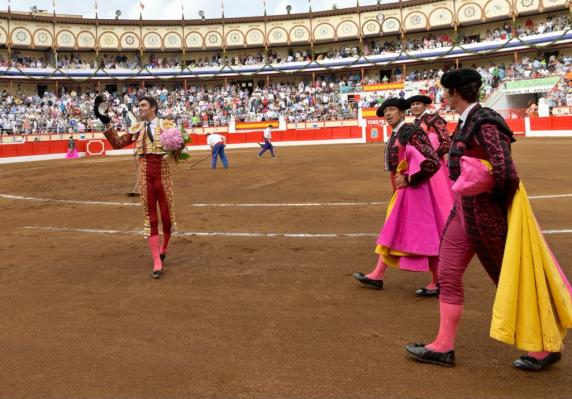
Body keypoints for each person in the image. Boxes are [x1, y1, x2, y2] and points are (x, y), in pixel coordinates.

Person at [405, 68, 571, 370]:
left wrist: (495, 202)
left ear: (455, 93)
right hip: (463, 209)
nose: (443, 97)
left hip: (485, 213)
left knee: (508, 276)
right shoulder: (472, 119)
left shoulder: (484, 121)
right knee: (449, 271)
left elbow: (506, 170)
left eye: (445, 92)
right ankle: (443, 345)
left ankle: (543, 346)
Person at [353, 98, 451, 296]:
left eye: (392, 110)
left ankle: (439, 281)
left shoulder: (410, 132)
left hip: (414, 192)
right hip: (401, 190)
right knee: (394, 229)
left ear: (402, 113)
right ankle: (378, 274)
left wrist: (409, 178)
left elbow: (432, 160)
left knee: (421, 234)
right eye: (386, 111)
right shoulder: (400, 132)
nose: (388, 114)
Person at [94, 95, 177, 279]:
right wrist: (106, 122)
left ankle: (164, 247)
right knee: (151, 218)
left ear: (153, 107)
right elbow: (117, 143)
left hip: (163, 174)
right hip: (145, 174)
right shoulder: (137, 128)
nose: (140, 109)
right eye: (139, 106)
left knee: (167, 218)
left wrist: (175, 149)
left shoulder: (167, 126)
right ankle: (156, 261)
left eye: (143, 105)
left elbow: (179, 151)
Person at [408, 94, 452, 166]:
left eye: (418, 104)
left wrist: (433, 157)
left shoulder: (434, 119)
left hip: (436, 162)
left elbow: (446, 141)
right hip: (420, 163)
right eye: (412, 104)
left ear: (425, 106)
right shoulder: (414, 124)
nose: (415, 106)